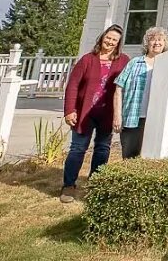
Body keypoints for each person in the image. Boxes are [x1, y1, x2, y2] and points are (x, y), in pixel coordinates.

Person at [60, 24, 129, 203]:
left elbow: (127, 86)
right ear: (102, 37)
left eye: (115, 40)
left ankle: (95, 183)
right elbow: (73, 86)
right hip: (85, 112)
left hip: (107, 112)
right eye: (108, 38)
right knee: (78, 148)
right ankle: (69, 185)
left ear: (119, 43)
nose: (110, 42)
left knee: (102, 148)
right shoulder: (88, 59)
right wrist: (69, 110)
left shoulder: (123, 61)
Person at [112, 26, 168, 160]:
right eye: (153, 40)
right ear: (147, 43)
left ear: (165, 43)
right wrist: (117, 115)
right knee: (129, 157)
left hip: (157, 119)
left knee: (153, 159)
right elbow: (118, 88)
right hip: (133, 117)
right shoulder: (134, 63)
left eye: (160, 40)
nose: (156, 43)